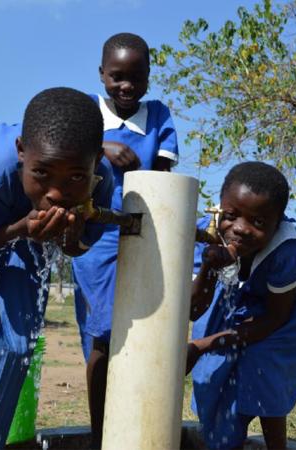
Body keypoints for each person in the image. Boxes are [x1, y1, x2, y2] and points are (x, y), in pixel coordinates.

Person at [0, 87, 114, 450]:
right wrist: (21, 229)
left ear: (96, 163)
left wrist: (69, 238)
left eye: (75, 177)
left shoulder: (101, 184)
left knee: (12, 346)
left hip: (23, 223)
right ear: (21, 152)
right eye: (42, 172)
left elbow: (79, 247)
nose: (57, 193)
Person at [72, 32, 178, 448]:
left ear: (149, 77)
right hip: (96, 242)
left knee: (141, 335)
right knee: (102, 335)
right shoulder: (88, 115)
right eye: (117, 76)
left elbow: (165, 183)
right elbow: (67, 152)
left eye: (136, 77)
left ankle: (133, 425)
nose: (126, 86)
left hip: (144, 238)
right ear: (101, 74)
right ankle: (103, 435)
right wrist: (102, 146)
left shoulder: (159, 117)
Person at [187, 162, 296, 450]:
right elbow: (195, 309)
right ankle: (227, 439)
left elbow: (274, 318)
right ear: (219, 207)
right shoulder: (207, 234)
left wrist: (203, 345)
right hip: (253, 283)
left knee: (266, 358)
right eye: (231, 215)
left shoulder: (287, 251)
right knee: (214, 360)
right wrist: (208, 266)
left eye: (258, 223)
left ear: (278, 221)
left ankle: (276, 446)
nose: (241, 229)